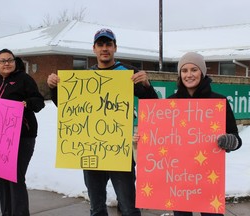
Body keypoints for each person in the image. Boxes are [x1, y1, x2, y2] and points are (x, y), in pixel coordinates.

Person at [47, 28, 158, 216]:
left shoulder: (128, 73)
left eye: (108, 44)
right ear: (94, 49)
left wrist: (146, 85)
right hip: (91, 150)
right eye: (100, 45)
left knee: (129, 207)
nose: (104, 48)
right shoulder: (85, 76)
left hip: (120, 150)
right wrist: (54, 88)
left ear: (115, 48)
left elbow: (152, 105)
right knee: (96, 208)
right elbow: (67, 108)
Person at [168, 52, 242, 216]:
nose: (189, 75)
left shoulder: (218, 102)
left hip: (208, 178)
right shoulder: (170, 103)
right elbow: (162, 140)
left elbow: (236, 138)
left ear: (202, 72)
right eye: (184, 70)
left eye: (194, 69)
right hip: (179, 177)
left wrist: (231, 141)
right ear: (180, 74)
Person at [0, 49, 45, 216]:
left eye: (10, 60)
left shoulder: (24, 79)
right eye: (3, 61)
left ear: (14, 61)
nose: (7, 63)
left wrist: (27, 103)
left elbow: (39, 102)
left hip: (22, 137)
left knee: (15, 178)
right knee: (0, 177)